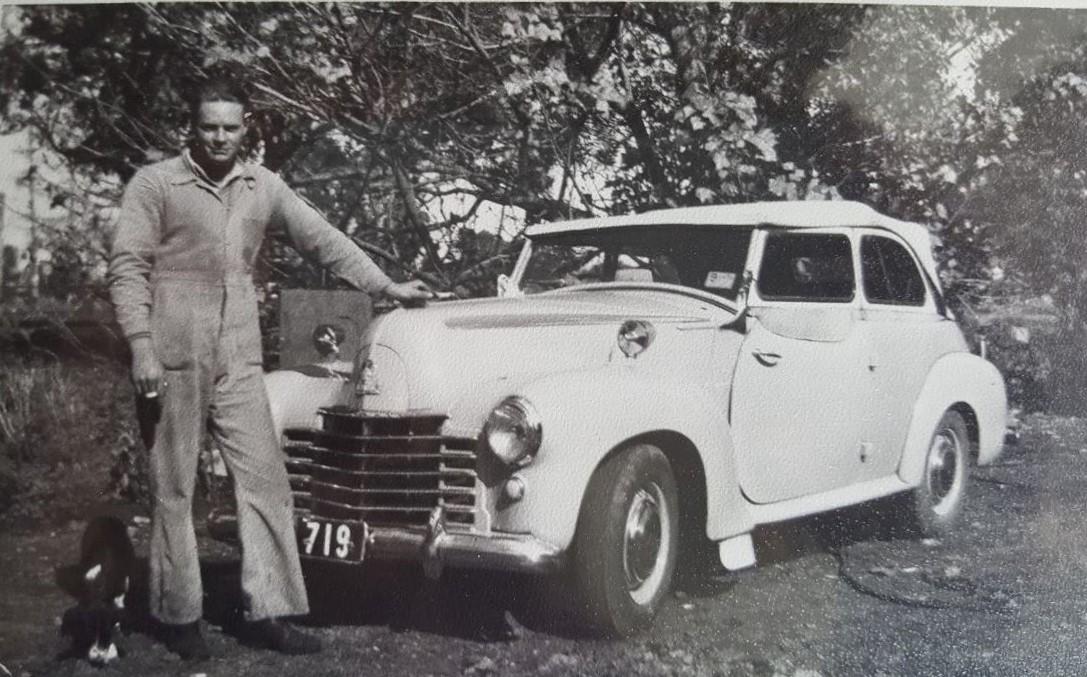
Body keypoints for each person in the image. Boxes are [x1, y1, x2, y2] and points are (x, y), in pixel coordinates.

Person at [107, 72, 431, 660]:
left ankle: (272, 611)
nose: (219, 138)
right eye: (208, 126)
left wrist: (385, 285)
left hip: (239, 352)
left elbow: (322, 238)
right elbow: (127, 268)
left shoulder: (263, 185)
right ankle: (180, 618)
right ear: (192, 125)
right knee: (174, 487)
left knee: (266, 479)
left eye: (230, 127)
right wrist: (140, 347)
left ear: (247, 126)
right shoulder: (156, 183)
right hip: (171, 348)